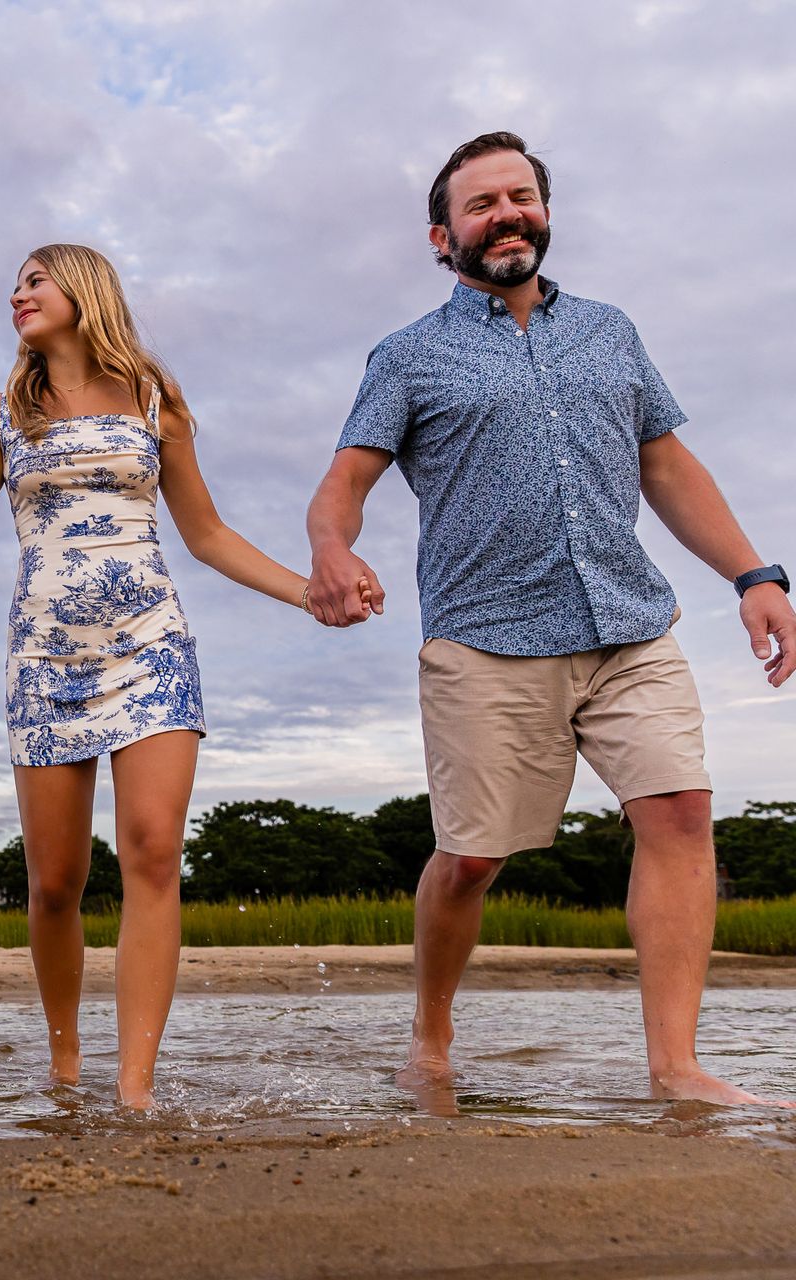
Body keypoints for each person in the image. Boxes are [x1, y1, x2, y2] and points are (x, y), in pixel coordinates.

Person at [306, 131, 795, 1105]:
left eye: (520, 197)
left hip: (629, 624)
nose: (506, 216)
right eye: (481, 204)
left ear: (544, 210)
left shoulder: (611, 331)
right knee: (471, 857)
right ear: (442, 236)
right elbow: (343, 484)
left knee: (681, 812)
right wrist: (331, 549)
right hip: (485, 637)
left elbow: (666, 466)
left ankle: (677, 1068)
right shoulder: (407, 356)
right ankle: (431, 1037)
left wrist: (754, 574)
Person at [0, 244, 326, 1108]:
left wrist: (307, 591)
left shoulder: (154, 398)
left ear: (84, 288)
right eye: (14, 285)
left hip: (152, 648)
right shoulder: (2, 415)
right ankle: (66, 1066)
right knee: (56, 883)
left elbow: (208, 534)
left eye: (35, 279)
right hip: (44, 661)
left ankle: (135, 1088)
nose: (17, 294)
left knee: (153, 853)